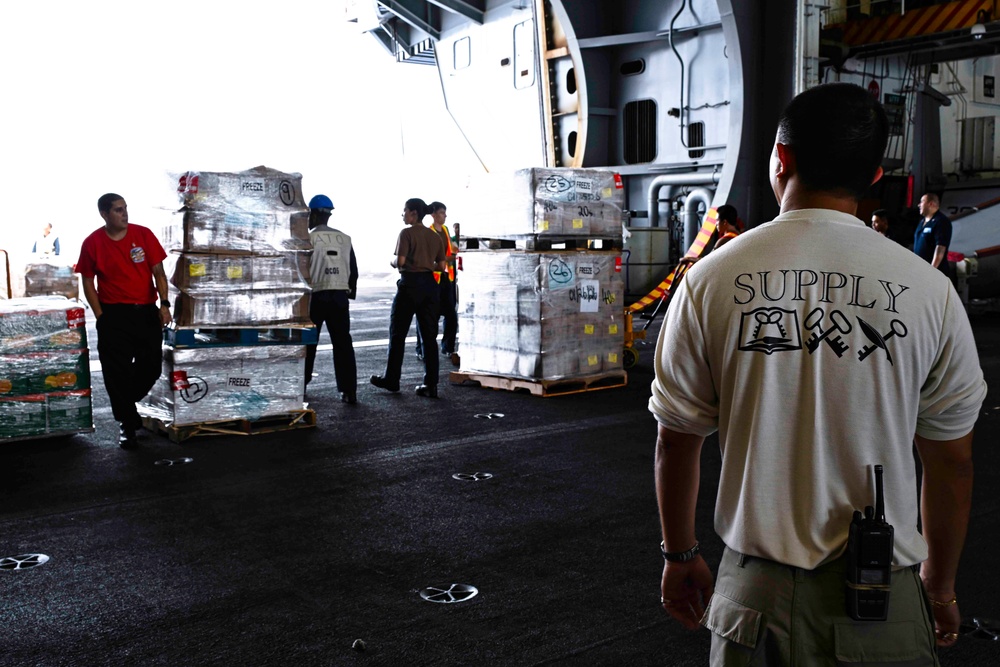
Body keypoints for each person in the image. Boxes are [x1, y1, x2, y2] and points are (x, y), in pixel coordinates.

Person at [650, 82, 986, 664]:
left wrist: (680, 555)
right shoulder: (930, 293)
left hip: (752, 600)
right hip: (883, 597)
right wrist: (938, 586)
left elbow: (676, 442)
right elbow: (952, 462)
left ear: (783, 160)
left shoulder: (709, 281)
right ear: (876, 175)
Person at [77, 193, 172, 449]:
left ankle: (126, 406)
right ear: (104, 214)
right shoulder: (93, 243)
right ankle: (127, 425)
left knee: (151, 367)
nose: (124, 214)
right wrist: (100, 317)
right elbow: (87, 282)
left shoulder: (143, 235)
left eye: (125, 208)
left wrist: (164, 304)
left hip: (145, 312)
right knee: (115, 371)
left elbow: (159, 273)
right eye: (118, 210)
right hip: (114, 315)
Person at [371, 198, 447, 398]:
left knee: (398, 335)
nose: (403, 214)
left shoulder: (406, 233)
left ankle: (392, 379)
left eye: (404, 211)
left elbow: (400, 261)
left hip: (409, 285)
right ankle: (431, 385)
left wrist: (392, 260)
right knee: (429, 338)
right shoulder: (435, 237)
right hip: (430, 286)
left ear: (413, 213)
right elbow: (441, 267)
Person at [304, 194, 359, 404]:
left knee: (309, 343)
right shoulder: (344, 238)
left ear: (314, 214)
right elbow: (353, 270)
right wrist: (348, 292)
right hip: (339, 296)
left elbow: (302, 270)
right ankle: (349, 390)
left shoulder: (308, 239)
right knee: (343, 343)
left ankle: (302, 385)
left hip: (315, 296)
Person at [415, 201, 459, 365]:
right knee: (427, 317)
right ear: (433, 215)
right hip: (433, 279)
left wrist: (456, 237)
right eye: (442, 213)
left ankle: (447, 347)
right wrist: (445, 259)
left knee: (451, 316)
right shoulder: (428, 232)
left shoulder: (446, 231)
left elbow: (453, 250)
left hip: (447, 278)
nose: (445, 215)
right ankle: (421, 349)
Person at [914, 193, 952, 278]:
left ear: (930, 204)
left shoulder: (941, 221)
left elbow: (940, 248)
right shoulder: (922, 222)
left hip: (935, 272)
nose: (919, 205)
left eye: (922, 202)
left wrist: (932, 270)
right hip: (920, 270)